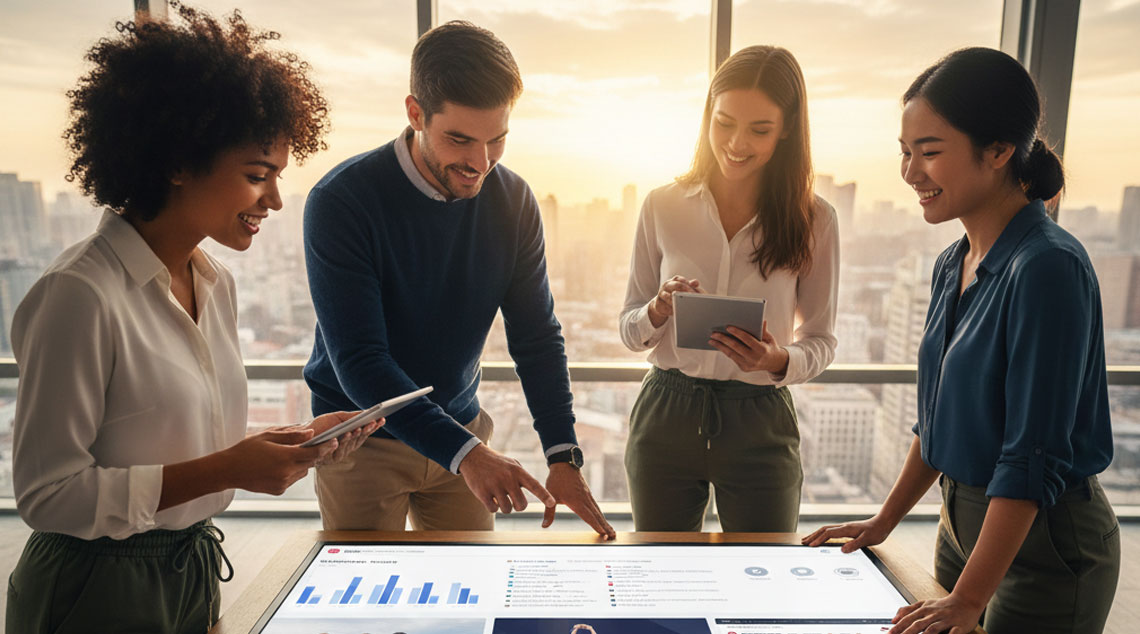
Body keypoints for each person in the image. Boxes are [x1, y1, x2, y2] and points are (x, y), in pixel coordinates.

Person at [6, 4, 379, 632]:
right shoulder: (80, 294)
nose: (276, 200)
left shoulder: (215, 282)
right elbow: (47, 495)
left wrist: (295, 443)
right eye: (257, 175)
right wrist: (231, 467)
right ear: (178, 161)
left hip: (191, 569)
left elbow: (185, 438)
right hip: (91, 587)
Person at [803, 47, 1120, 634]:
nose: (910, 172)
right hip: (963, 530)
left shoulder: (1048, 268)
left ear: (999, 151)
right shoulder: (954, 261)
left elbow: (1032, 459)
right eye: (904, 152)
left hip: (1046, 548)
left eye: (929, 151)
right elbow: (937, 420)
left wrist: (970, 597)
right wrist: (884, 522)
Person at [303, 20, 614, 539]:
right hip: (362, 442)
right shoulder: (342, 201)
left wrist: (562, 455)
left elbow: (537, 336)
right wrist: (467, 455)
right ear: (415, 113)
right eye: (459, 139)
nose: (480, 163)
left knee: (470, 600)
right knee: (364, 609)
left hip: (464, 429)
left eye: (497, 141)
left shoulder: (513, 201)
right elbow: (359, 358)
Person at [618, 45, 838, 532]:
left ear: (787, 129)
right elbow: (629, 329)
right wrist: (655, 311)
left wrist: (776, 360)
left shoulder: (815, 219)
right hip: (666, 413)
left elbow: (822, 340)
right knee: (660, 575)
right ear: (706, 118)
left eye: (759, 129)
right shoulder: (662, 205)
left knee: (764, 583)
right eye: (724, 123)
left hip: (760, 418)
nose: (737, 143)